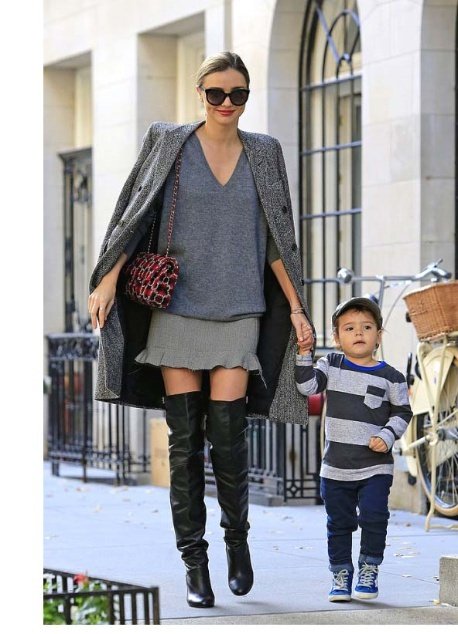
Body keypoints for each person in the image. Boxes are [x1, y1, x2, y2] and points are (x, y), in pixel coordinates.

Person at [88, 51, 314, 609]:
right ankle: (194, 562)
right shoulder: (170, 143)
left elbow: (278, 238)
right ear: (200, 94)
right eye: (216, 93)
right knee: (185, 443)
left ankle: (237, 542)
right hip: (177, 310)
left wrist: (297, 308)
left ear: (247, 97)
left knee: (229, 441)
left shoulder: (264, 152)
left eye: (237, 94)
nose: (226, 103)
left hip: (240, 311)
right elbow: (135, 214)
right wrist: (108, 279)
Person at [295, 297, 412, 602]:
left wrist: (387, 435)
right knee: (339, 524)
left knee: (374, 516)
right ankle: (340, 574)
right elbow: (307, 387)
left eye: (366, 327)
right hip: (336, 467)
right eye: (349, 328)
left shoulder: (392, 377)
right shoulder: (331, 364)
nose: (358, 332)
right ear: (337, 337)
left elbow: (403, 412)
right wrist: (304, 354)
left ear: (378, 336)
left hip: (375, 466)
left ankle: (369, 567)